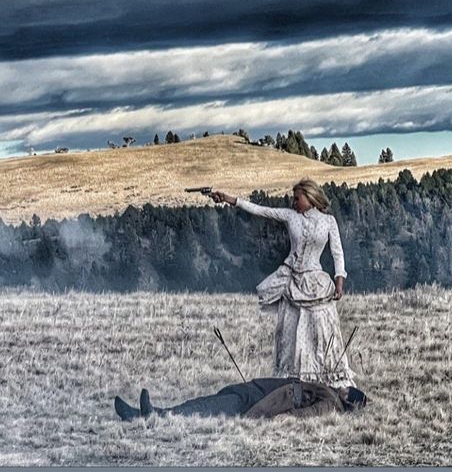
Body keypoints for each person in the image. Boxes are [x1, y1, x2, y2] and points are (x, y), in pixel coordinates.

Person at [209, 178, 355, 388]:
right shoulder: (290, 216)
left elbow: (337, 253)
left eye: (297, 198)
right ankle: (293, 381)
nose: (293, 202)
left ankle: (326, 381)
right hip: (292, 281)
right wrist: (230, 200)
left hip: (317, 284)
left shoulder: (329, 221)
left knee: (321, 333)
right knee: (291, 335)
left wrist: (339, 281)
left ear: (310, 197)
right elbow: (260, 210)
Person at [114, 378, 367, 421]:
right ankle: (145, 414)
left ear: (349, 398)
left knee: (206, 408)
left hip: (260, 402)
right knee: (206, 402)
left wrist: (288, 418)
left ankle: (155, 415)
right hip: (259, 392)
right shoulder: (332, 392)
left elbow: (312, 413)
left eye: (348, 389)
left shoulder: (332, 403)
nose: (345, 387)